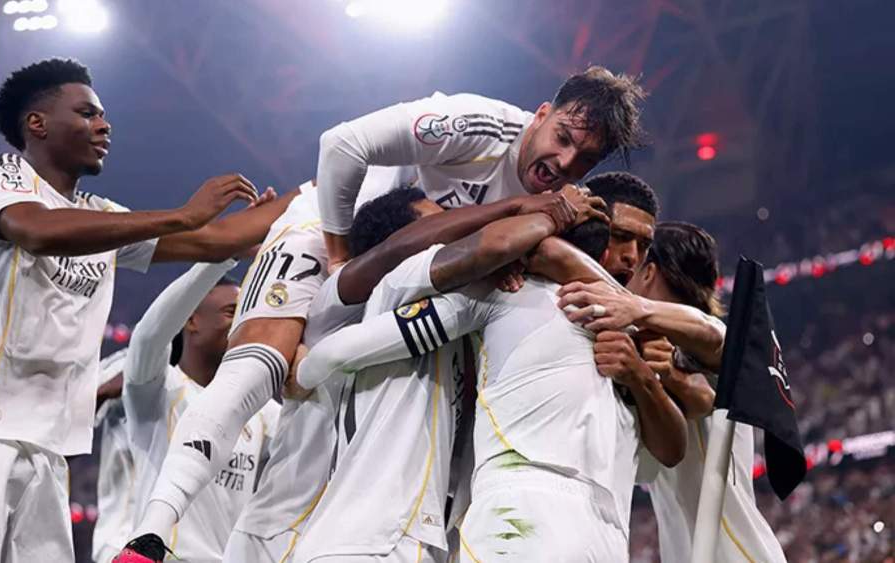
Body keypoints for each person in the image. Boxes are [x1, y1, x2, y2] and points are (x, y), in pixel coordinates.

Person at [0, 58, 291, 563]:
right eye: (86, 113)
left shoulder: (102, 218)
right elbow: (36, 231)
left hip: (47, 455)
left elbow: (217, 240)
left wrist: (317, 191)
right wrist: (183, 215)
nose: (104, 125)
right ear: (36, 123)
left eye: (103, 116)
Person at [120, 172, 604, 562]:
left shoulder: (449, 311)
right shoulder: (352, 295)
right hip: (301, 531)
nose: (458, 233)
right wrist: (542, 214)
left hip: (348, 529)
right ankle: (150, 534)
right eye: (442, 226)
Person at [295, 217, 687, 562]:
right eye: (621, 238)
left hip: (580, 524)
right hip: (534, 511)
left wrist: (300, 371)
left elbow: (669, 452)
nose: (631, 257)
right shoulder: (509, 290)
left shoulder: (632, 344)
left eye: (642, 245)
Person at [570, 222, 787, 562]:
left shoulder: (704, 343)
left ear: (650, 270)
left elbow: (707, 376)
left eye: (638, 259)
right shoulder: (640, 351)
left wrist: (642, 315)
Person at [316, 65, 647, 273]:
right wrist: (338, 258)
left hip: (395, 273)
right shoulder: (476, 126)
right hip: (331, 227)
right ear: (542, 114)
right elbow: (341, 145)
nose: (566, 162)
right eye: (562, 137)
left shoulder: (567, 203)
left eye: (586, 159)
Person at [113, 263, 279, 563]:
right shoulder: (160, 391)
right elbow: (149, 337)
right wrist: (220, 256)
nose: (241, 324)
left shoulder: (259, 410)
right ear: (191, 320)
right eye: (231, 312)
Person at [92, 349, 133, 563]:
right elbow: (59, 439)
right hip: (122, 543)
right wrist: (103, 392)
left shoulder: (234, 378)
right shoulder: (127, 361)